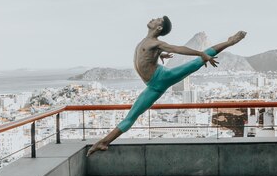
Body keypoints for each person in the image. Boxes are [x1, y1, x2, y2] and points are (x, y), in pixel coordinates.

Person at [87, 16, 247, 155]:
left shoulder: (156, 42)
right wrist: (159, 54)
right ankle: (104, 142)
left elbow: (178, 49)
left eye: (157, 19)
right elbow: (146, 56)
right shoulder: (147, 42)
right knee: (132, 115)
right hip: (153, 84)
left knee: (196, 63)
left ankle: (230, 41)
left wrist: (201, 53)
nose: (153, 18)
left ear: (159, 27)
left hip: (161, 79)